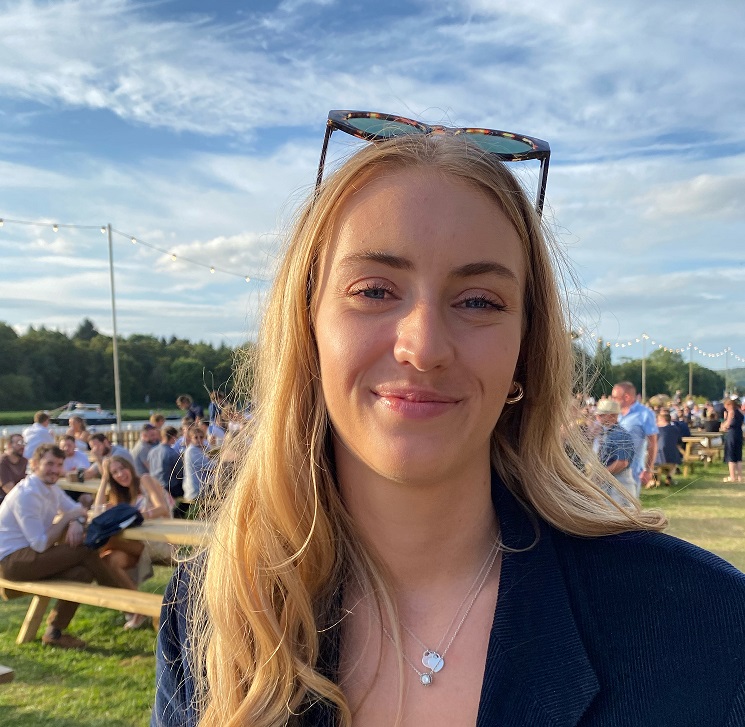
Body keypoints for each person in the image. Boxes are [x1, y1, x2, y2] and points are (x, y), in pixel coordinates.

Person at [153, 120, 745, 726]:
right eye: (375, 290)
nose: (424, 346)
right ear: (307, 328)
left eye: (480, 301)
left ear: (525, 348)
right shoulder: (215, 607)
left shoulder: (701, 623)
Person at [0, 444, 133, 649]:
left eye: (59, 465)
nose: (55, 470)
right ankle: (128, 604)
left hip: (29, 557)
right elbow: (40, 544)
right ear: (34, 464)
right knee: (86, 549)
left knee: (82, 573)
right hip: (11, 563)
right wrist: (66, 520)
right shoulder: (27, 495)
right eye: (49, 464)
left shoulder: (50, 489)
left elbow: (77, 510)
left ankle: (54, 632)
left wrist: (76, 522)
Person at [93, 455, 170, 628]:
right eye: (114, 473)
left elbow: (162, 508)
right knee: (109, 560)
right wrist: (104, 479)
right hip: (135, 545)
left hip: (159, 542)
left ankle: (87, 559)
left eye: (122, 468)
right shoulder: (121, 496)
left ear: (130, 467)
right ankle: (138, 609)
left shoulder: (145, 480)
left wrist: (140, 516)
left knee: (101, 543)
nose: (120, 474)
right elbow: (98, 511)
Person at [610, 381, 658, 496]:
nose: (612, 400)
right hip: (610, 468)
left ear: (626, 397)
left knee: (628, 509)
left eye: (615, 397)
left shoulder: (645, 414)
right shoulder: (615, 413)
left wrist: (648, 469)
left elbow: (653, 443)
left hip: (632, 471)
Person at [592, 399, 636, 502]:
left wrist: (601, 475)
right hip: (610, 481)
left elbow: (622, 462)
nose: (597, 418)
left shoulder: (620, 434)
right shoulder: (606, 433)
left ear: (612, 416)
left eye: (602, 415)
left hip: (619, 483)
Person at [147, 426, 184, 500]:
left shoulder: (152, 451)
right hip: (170, 488)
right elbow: (180, 473)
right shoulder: (172, 453)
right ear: (173, 437)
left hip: (155, 486)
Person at [182, 426, 214, 502]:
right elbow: (207, 466)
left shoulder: (199, 449)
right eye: (196, 437)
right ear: (191, 439)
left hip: (200, 488)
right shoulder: (192, 450)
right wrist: (223, 461)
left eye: (201, 437)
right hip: (195, 490)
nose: (199, 439)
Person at [654, 411, 683, 486]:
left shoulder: (656, 430)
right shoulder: (675, 429)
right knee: (675, 462)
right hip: (672, 460)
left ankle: (656, 479)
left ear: (662, 420)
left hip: (657, 460)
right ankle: (669, 476)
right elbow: (679, 442)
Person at [721, 398, 744, 483]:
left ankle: (732, 476)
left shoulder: (731, 412)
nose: (726, 408)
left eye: (726, 406)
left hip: (732, 434)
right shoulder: (740, 411)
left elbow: (727, 424)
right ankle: (740, 477)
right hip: (739, 433)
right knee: (738, 456)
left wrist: (723, 424)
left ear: (729, 405)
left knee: (731, 455)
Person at [1, 434, 28, 504]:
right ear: (9, 445)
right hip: (4, 502)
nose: (22, 446)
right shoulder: (2, 463)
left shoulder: (24, 461)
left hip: (21, 499)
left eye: (23, 443)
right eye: (19, 443)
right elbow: (10, 490)